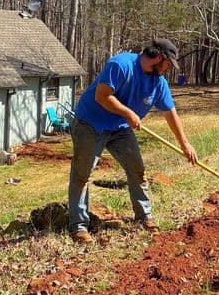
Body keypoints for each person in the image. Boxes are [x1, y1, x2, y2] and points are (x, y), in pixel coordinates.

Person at [68, 38, 198, 244]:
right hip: (90, 124)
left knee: (137, 170)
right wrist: (128, 112)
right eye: (167, 64)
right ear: (158, 57)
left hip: (120, 128)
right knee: (82, 174)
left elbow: (170, 113)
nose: (168, 70)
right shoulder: (121, 65)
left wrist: (185, 144)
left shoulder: (158, 83)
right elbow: (102, 96)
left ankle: (144, 216)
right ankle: (79, 226)